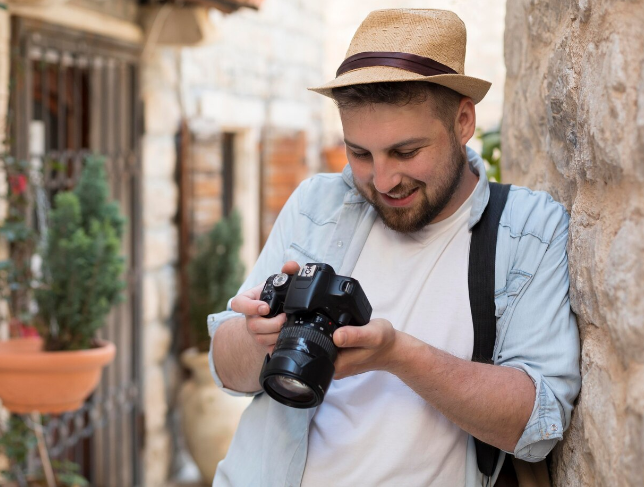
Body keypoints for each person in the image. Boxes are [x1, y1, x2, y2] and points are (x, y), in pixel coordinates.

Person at [207, 8, 581, 487]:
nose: (383, 181)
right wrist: (256, 337)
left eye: (406, 152)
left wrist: (398, 355)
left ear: (463, 121)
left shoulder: (529, 228)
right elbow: (226, 369)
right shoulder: (316, 203)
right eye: (360, 153)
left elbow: (537, 425)